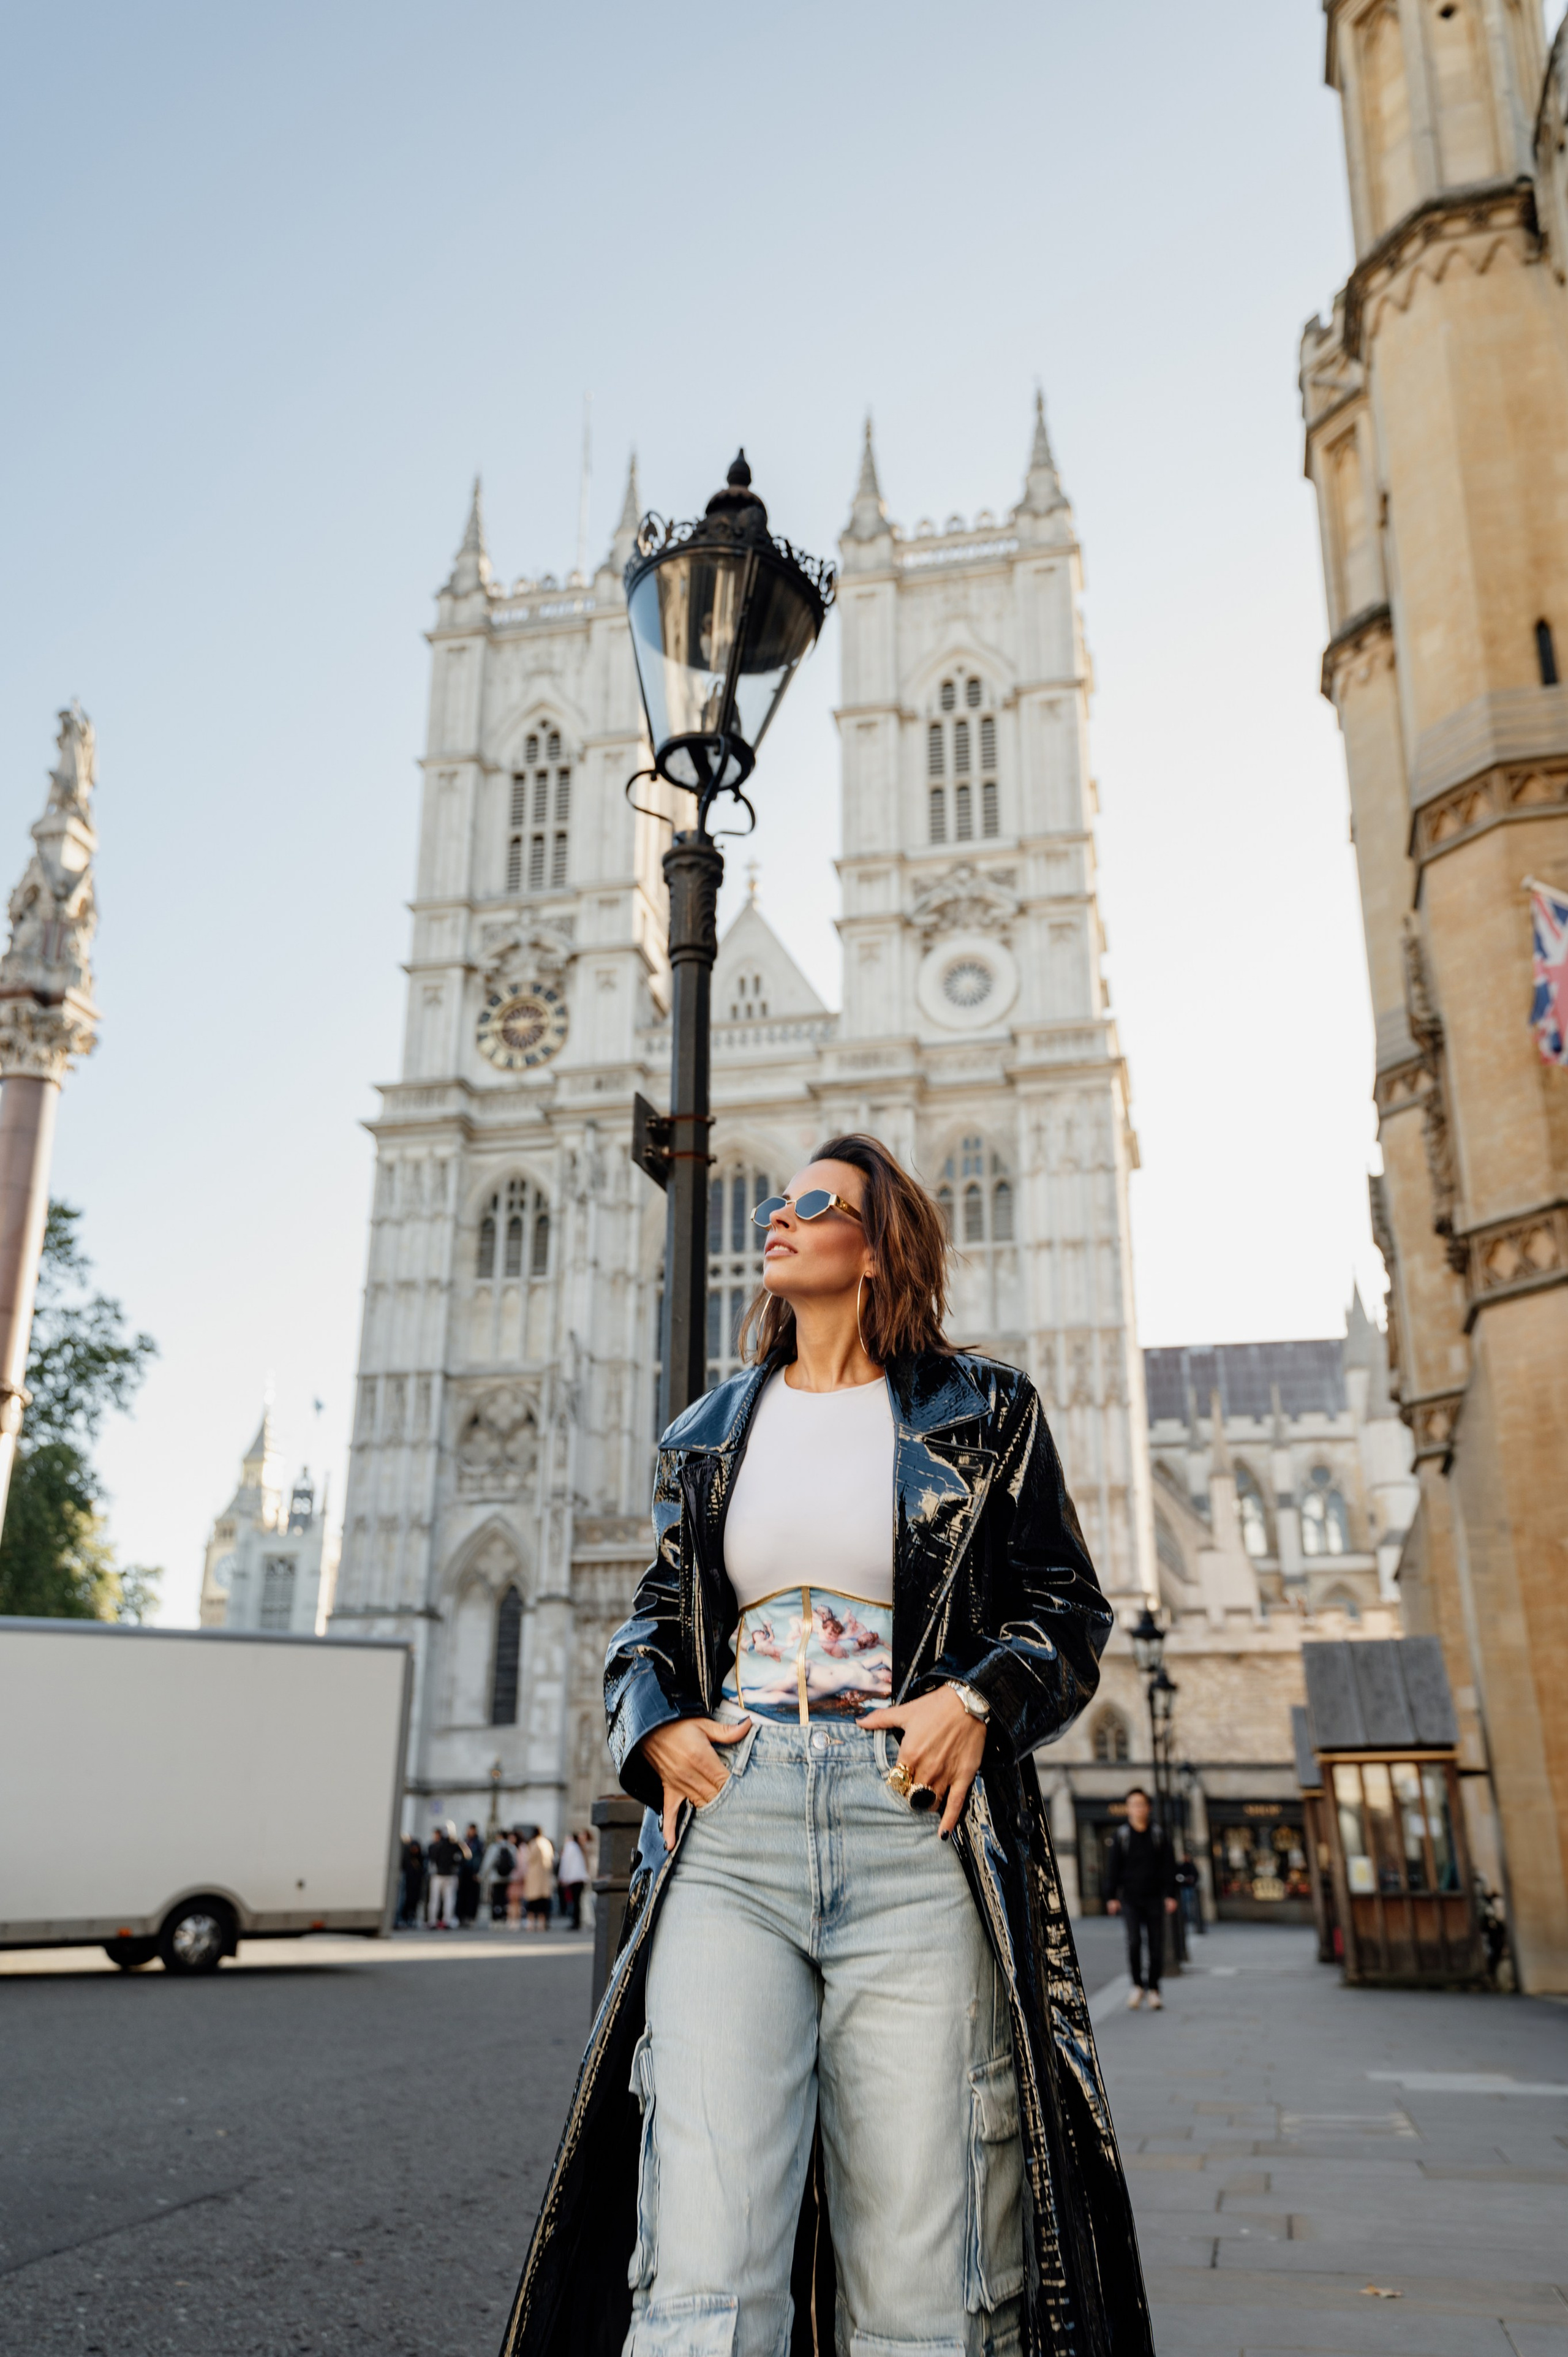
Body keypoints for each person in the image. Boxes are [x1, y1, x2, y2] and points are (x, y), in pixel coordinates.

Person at [499, 1134, 1153, 2357]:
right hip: (734, 1833)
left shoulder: (982, 1409)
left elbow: (1066, 1610)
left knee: (921, 2274)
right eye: (778, 1202)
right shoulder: (708, 1429)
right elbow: (653, 1619)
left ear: (874, 1246)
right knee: (699, 2266)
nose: (778, 1218)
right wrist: (655, 1727)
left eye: (814, 1203)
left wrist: (974, 1698)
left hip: (906, 1825)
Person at [1104, 1786, 1180, 2008]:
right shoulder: (1122, 1836)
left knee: (1156, 1945)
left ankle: (1154, 1989)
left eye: (1141, 1805)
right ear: (1128, 1809)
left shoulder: (1158, 1835)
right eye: (1133, 1805)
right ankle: (1137, 1985)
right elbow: (1113, 1868)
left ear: (1148, 1808)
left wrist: (1171, 1894)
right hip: (1130, 1899)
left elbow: (1169, 1866)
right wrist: (1111, 1896)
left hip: (1155, 1897)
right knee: (1134, 1942)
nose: (1137, 1809)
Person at [426, 1825, 461, 1929]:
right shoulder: (454, 1846)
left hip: (438, 1875)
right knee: (449, 1900)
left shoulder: (437, 1846)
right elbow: (460, 1859)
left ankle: (432, 1921)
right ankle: (447, 1920)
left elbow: (432, 1859)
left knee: (434, 1899)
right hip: (450, 1875)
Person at [523, 1828, 556, 1931]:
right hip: (545, 1875)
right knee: (543, 1902)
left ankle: (531, 1924)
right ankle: (542, 1924)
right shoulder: (547, 1843)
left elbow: (529, 1859)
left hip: (535, 1875)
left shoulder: (534, 1843)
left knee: (533, 1902)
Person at [556, 1830, 588, 1931]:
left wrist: (563, 1877)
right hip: (580, 1878)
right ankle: (577, 1921)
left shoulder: (570, 1847)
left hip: (574, 1879)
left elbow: (566, 1864)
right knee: (578, 1901)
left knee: (575, 1901)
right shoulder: (576, 1847)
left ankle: (576, 1922)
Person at [456, 1823, 484, 1926]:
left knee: (472, 1897)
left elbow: (480, 1858)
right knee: (462, 1896)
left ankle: (470, 1917)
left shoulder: (479, 1843)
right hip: (464, 1873)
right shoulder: (464, 1842)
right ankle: (461, 1917)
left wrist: (478, 1872)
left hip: (473, 1873)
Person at [395, 1835, 424, 1929]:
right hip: (407, 1883)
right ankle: (404, 1918)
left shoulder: (421, 1858)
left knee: (414, 1901)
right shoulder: (407, 1857)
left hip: (416, 1885)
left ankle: (411, 1918)